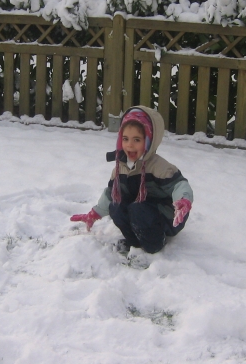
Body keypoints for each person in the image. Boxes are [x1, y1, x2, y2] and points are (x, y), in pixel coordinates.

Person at [70, 106, 193, 254]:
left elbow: (179, 185)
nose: (130, 145)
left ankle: (154, 244)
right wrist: (94, 213)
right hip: (139, 213)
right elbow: (111, 193)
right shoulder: (120, 167)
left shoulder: (158, 167)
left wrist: (183, 201)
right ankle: (134, 241)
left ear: (149, 141)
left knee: (138, 209)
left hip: (167, 217)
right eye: (125, 139)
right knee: (116, 206)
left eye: (137, 139)